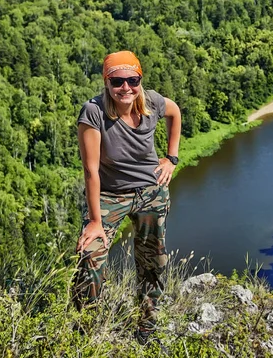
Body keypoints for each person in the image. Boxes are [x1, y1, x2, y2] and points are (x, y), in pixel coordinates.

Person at [72, 50, 181, 343]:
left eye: (133, 80)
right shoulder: (93, 112)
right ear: (106, 82)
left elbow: (175, 112)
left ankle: (147, 325)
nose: (126, 88)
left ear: (140, 80)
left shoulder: (152, 102)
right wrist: (95, 221)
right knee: (90, 257)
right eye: (117, 81)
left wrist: (171, 157)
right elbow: (91, 171)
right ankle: (86, 330)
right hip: (110, 194)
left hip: (150, 192)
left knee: (152, 261)